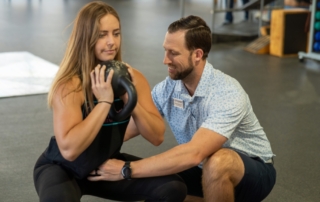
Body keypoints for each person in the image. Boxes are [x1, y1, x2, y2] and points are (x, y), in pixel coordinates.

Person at [97, 15, 277, 202]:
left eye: (173, 53)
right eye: (165, 51)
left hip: (252, 171)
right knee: (158, 185)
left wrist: (126, 170)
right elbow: (126, 131)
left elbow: (194, 153)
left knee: (217, 162)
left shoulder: (227, 92)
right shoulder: (167, 89)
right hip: (201, 167)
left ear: (197, 55)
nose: (165, 60)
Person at [33, 1, 187, 201]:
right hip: (62, 169)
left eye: (116, 33)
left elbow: (156, 136)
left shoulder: (134, 79)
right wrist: (104, 103)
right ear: (86, 38)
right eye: (102, 34)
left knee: (172, 187)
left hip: (105, 168)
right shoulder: (71, 86)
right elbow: (69, 150)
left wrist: (127, 93)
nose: (111, 41)